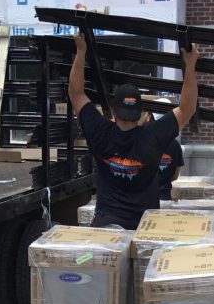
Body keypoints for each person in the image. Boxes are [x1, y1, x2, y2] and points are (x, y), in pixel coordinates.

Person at [68, 33, 199, 228]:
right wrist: (190, 65)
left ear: (113, 111)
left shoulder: (100, 132)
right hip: (144, 228)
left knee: (84, 259)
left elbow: (76, 94)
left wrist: (80, 52)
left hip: (105, 225)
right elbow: (187, 109)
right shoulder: (153, 136)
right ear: (140, 113)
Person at [144, 102, 184, 200]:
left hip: (146, 197)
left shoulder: (143, 140)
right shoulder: (175, 144)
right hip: (165, 196)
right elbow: (175, 176)